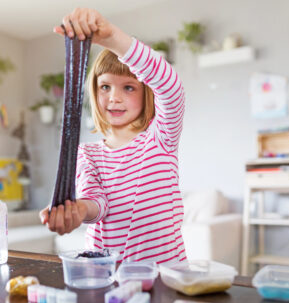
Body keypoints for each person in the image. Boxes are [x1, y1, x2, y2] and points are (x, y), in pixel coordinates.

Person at [40, 8, 186, 264]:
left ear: (146, 94)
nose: (114, 97)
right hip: (106, 273)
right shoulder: (88, 153)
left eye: (128, 87)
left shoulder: (161, 137)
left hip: (165, 273)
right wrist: (79, 211)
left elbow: (171, 88)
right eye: (105, 86)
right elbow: (96, 202)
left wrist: (113, 39)